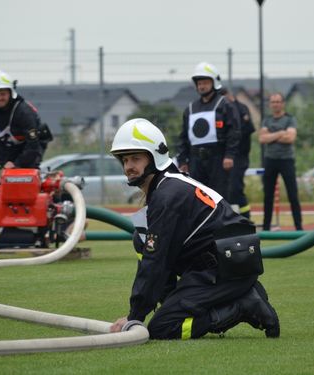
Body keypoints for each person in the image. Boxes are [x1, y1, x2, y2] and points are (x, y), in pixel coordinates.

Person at [109, 118, 279, 340]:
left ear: (155, 157)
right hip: (221, 266)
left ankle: (243, 305)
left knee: (162, 328)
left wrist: (135, 316)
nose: (128, 166)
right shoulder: (169, 186)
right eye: (124, 159)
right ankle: (234, 298)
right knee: (141, 239)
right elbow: (158, 258)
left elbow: (155, 261)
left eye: (135, 158)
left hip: (224, 270)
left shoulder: (167, 195)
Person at [177, 62, 240, 198]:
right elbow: (183, 136)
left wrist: (229, 155)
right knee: (198, 198)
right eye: (199, 83)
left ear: (214, 82)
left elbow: (234, 132)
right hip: (196, 162)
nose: (202, 86)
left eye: (205, 82)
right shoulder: (190, 108)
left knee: (219, 198)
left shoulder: (225, 105)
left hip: (218, 160)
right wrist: (183, 161)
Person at [0, 70, 50, 169]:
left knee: (27, 172)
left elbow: (32, 145)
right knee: (8, 174)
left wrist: (17, 164)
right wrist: (4, 162)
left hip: (34, 145)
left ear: (11, 93)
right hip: (11, 147)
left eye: (2, 94)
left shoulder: (24, 112)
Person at [259, 93, 303, 231]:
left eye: (278, 102)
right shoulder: (266, 120)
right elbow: (262, 139)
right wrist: (279, 134)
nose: (275, 104)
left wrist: (271, 136)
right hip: (270, 160)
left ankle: (299, 227)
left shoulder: (290, 119)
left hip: (286, 160)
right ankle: (266, 228)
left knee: (293, 195)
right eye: (273, 102)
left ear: (283, 103)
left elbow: (290, 138)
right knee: (268, 196)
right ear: (270, 104)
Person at [222, 89, 255, 218]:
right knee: (225, 190)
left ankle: (246, 218)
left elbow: (246, 130)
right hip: (224, 157)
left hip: (239, 156)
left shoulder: (241, 108)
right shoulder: (221, 110)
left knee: (236, 188)